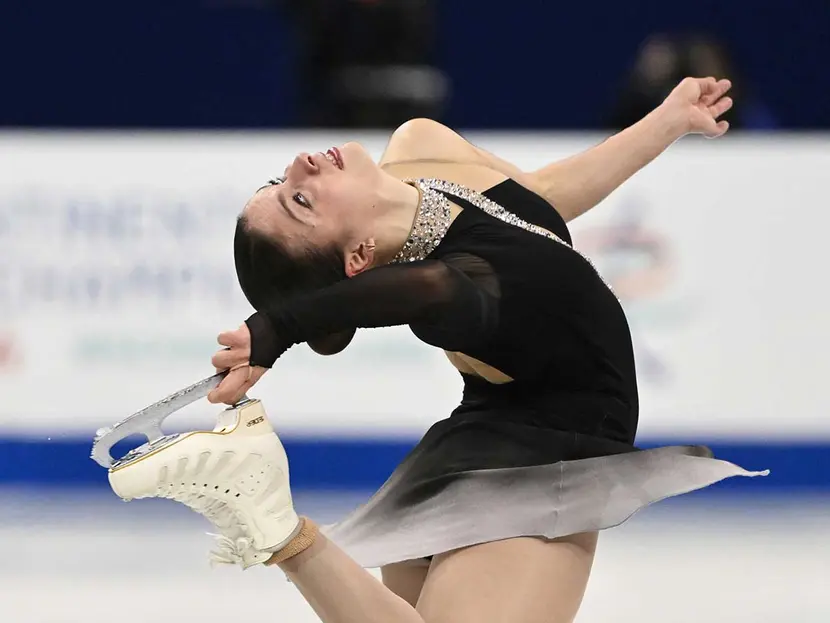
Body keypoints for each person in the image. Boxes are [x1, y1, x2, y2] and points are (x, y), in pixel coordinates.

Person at [109, 76, 768, 623]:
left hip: (469, 451)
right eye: (301, 201)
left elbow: (541, 201)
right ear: (359, 256)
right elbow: (421, 292)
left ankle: (279, 529)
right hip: (539, 467)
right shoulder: (456, 292)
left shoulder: (423, 149)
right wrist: (278, 329)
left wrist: (666, 122)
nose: (302, 163)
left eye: (278, 181)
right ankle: (275, 524)